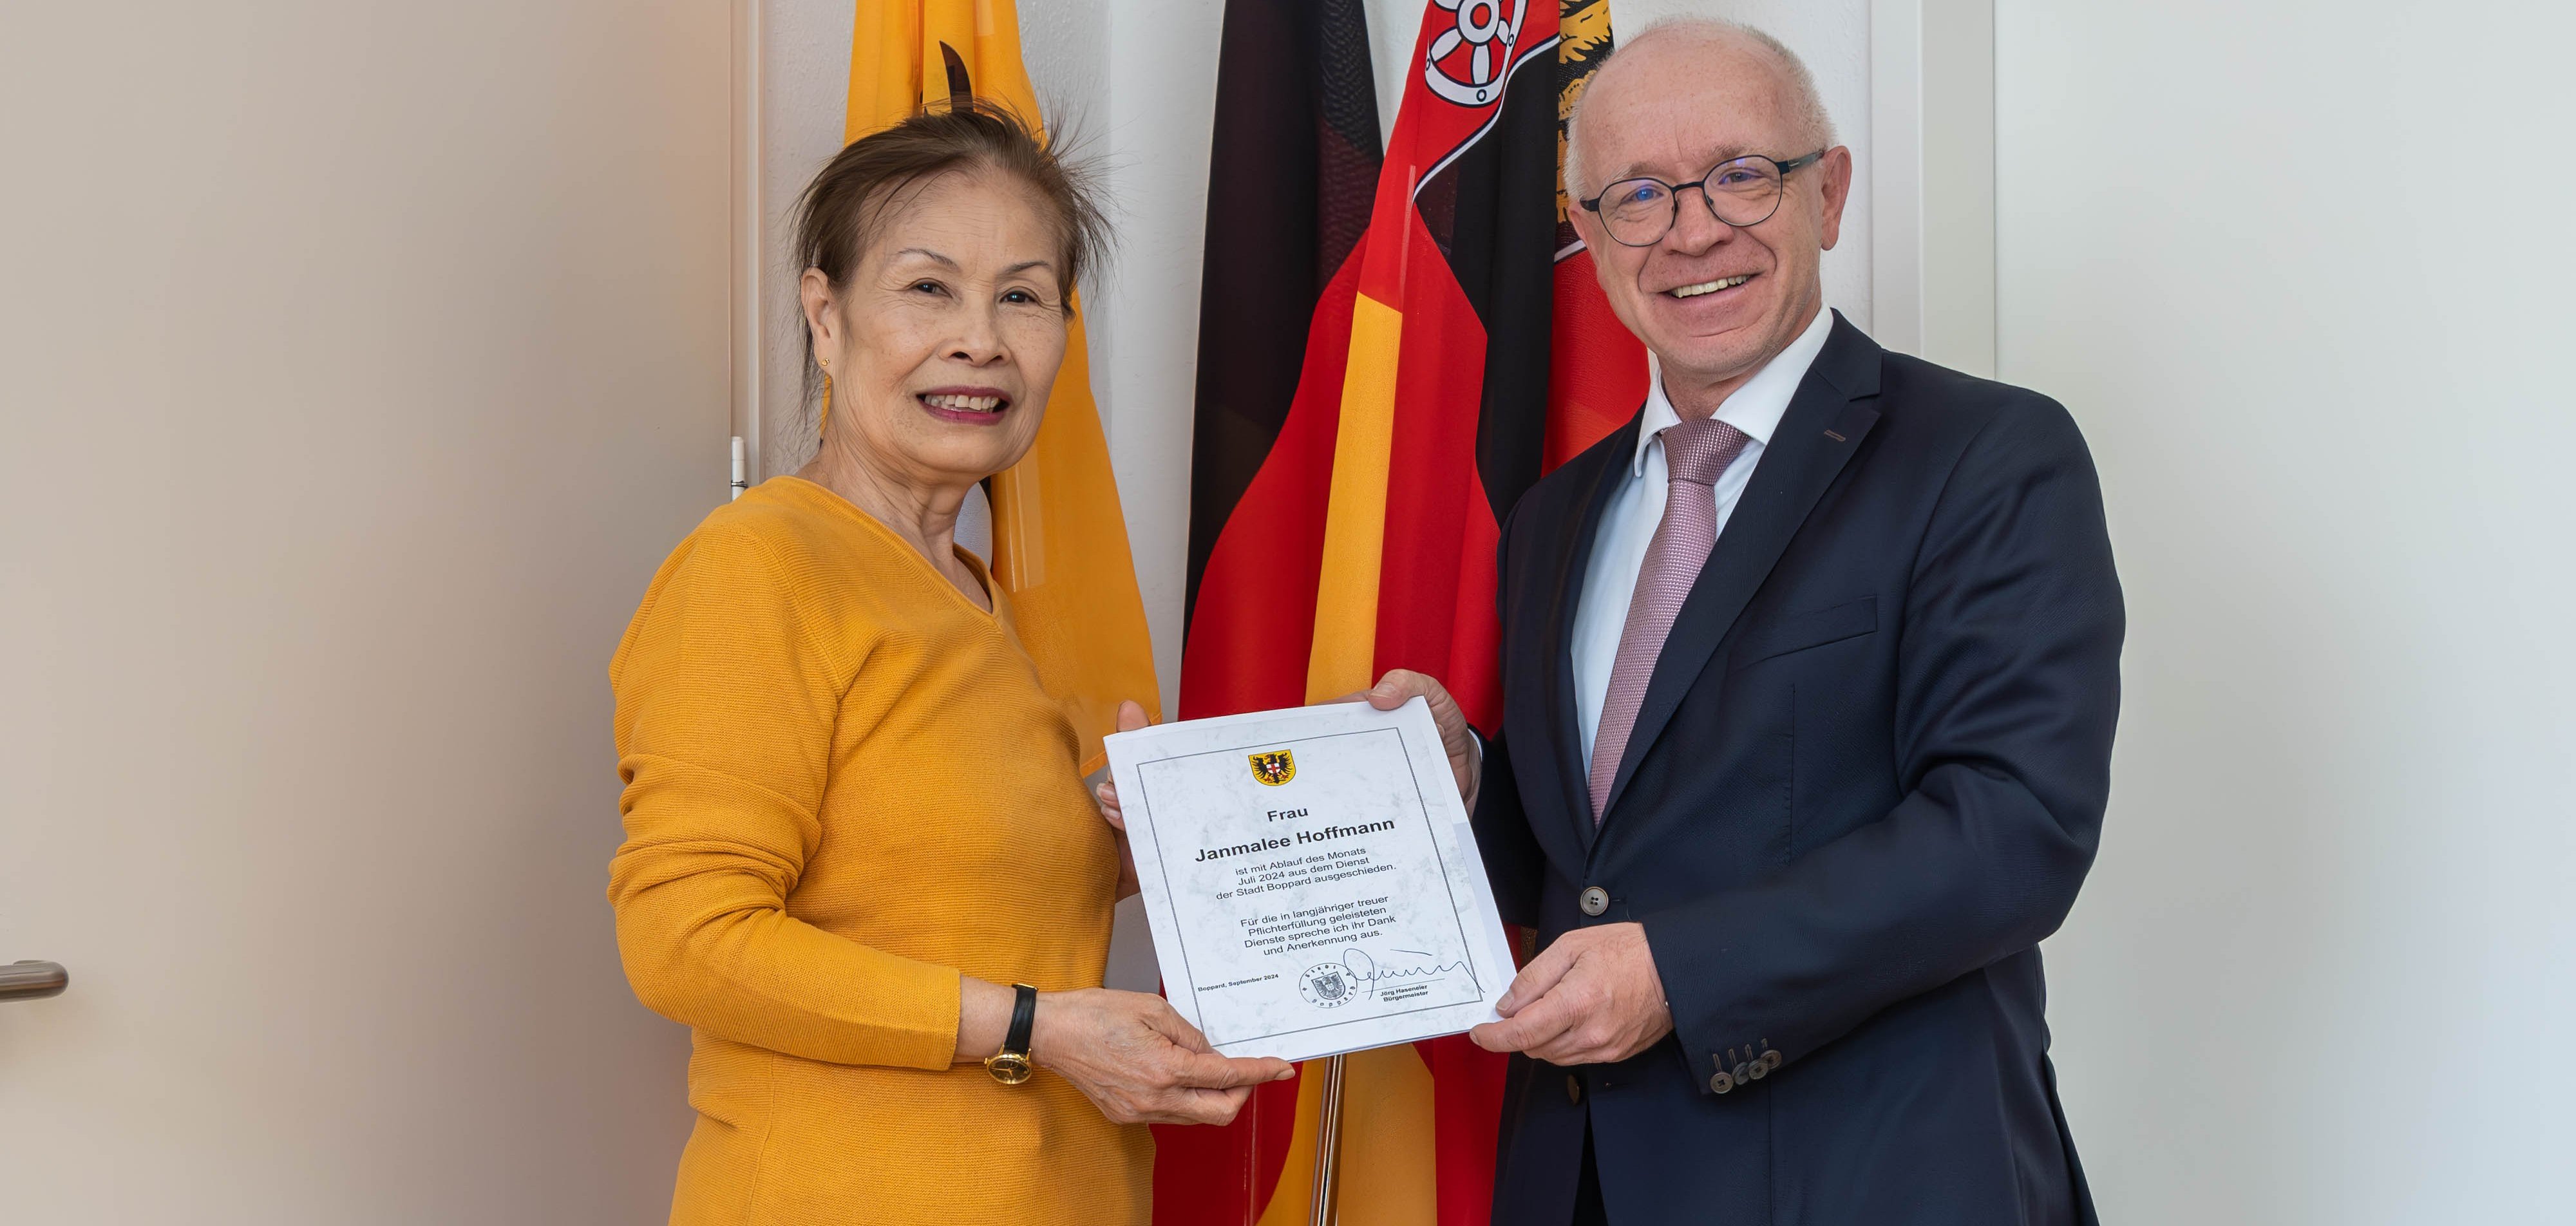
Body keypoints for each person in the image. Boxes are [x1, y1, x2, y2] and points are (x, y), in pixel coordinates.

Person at [1358, 19, 2123, 1225]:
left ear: (1829, 192)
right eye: (1641, 195)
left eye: (1740, 175)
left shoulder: (1985, 457)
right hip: (1584, 1183)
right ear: (1594, 236)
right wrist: (1461, 782)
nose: (1694, 229)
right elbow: (1602, 862)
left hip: (1875, 1179)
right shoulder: (1557, 516)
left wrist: (1681, 973)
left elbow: (2013, 831)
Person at [605, 102, 1291, 1226]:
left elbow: (943, 893)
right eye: (929, 287)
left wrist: (1189, 825)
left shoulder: (985, 598)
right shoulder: (760, 566)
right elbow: (686, 940)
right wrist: (1038, 1027)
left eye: (1022, 296)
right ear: (825, 318)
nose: (981, 338)